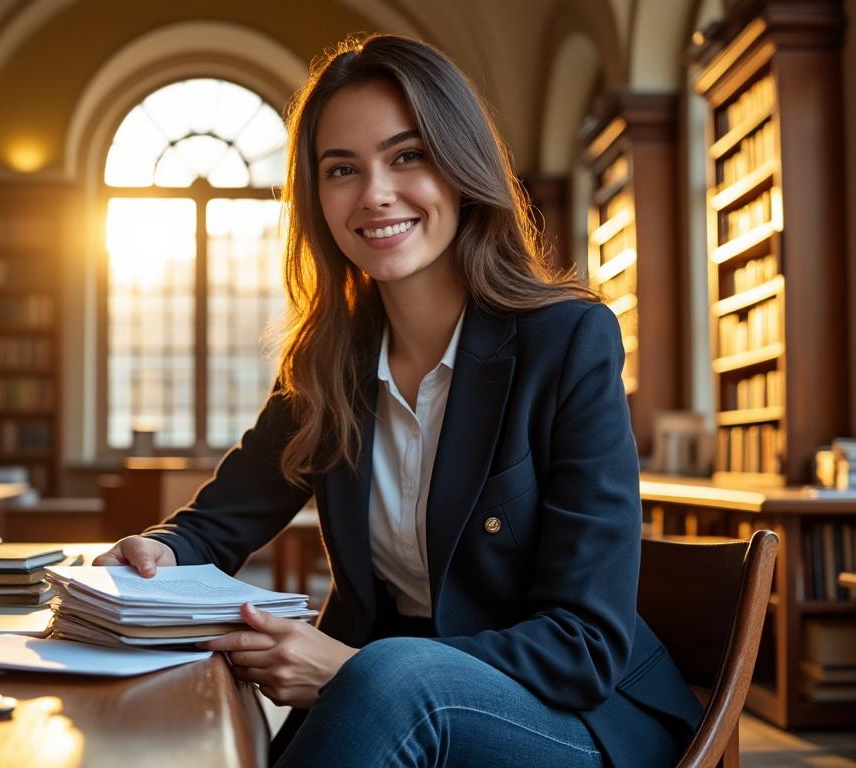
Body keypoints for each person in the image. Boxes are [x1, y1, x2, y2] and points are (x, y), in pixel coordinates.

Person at [95, 33, 703, 767]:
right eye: (342, 169)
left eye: (407, 155)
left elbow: (586, 643)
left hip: (578, 719)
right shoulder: (328, 363)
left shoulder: (567, 341)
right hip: (395, 701)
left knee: (389, 674)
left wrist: (349, 667)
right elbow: (214, 526)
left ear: (460, 166)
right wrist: (157, 550)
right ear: (318, 200)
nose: (375, 192)